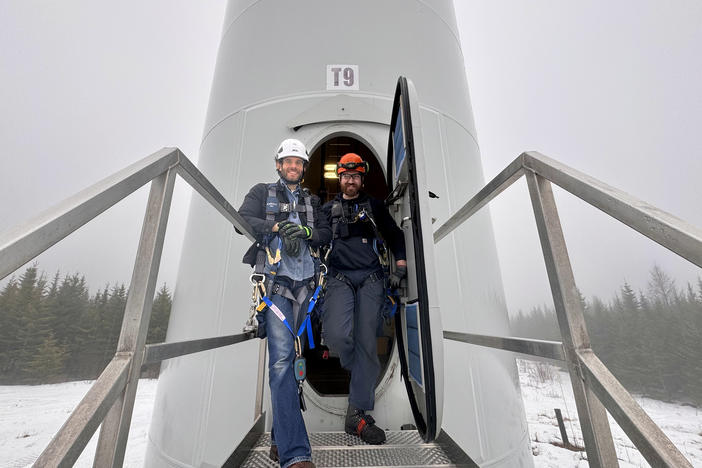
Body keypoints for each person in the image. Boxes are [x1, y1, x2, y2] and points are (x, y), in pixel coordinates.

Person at [239, 138, 330, 468]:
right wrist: (276, 226)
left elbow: (326, 233)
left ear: (303, 169)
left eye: (298, 162)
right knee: (280, 362)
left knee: (292, 361)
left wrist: (304, 232)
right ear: (279, 165)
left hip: (306, 287)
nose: (293, 166)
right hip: (275, 288)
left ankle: (279, 440)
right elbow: (242, 220)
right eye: (288, 161)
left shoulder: (312, 201)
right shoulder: (261, 193)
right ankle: (295, 456)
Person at [320, 153, 407, 445]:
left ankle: (356, 415)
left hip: (371, 278)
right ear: (339, 178)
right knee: (336, 335)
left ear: (361, 179)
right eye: (346, 176)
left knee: (368, 341)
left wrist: (400, 268)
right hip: (338, 278)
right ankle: (359, 364)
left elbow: (396, 236)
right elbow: (312, 233)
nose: (351, 181)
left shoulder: (374, 206)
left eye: (356, 177)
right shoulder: (327, 209)